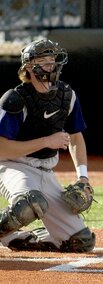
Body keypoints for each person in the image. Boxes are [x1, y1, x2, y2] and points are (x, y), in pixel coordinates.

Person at [0, 39, 96, 252]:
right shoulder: (15, 99)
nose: (50, 66)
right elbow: (1, 149)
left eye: (52, 60)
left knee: (81, 242)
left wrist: (83, 177)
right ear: (28, 67)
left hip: (46, 171)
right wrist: (46, 141)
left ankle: (18, 238)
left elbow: (76, 137)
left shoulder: (67, 95)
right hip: (13, 167)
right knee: (28, 205)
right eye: (43, 61)